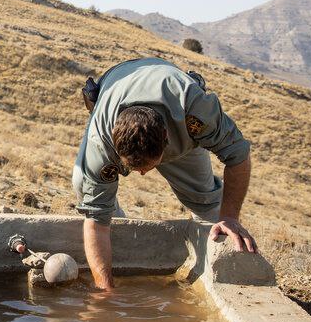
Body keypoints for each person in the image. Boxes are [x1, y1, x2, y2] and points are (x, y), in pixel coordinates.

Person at [73, 57, 256, 290]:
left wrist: (229, 217)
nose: (142, 174)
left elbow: (239, 155)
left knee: (207, 204)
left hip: (180, 125)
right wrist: (105, 293)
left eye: (147, 166)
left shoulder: (196, 110)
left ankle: (218, 266)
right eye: (133, 167)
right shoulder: (101, 143)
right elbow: (95, 223)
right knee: (83, 186)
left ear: (166, 142)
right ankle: (120, 229)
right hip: (115, 96)